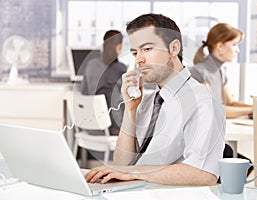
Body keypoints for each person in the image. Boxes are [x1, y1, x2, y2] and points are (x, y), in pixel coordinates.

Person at [84, 13, 225, 186]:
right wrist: (131, 110)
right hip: (138, 190)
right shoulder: (147, 101)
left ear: (173, 48)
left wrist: (134, 172)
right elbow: (123, 164)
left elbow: (205, 174)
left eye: (147, 49)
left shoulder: (203, 103)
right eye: (135, 52)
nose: (139, 60)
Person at [191, 23, 253, 119]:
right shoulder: (200, 72)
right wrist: (252, 110)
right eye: (234, 45)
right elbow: (213, 109)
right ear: (220, 46)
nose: (238, 50)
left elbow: (230, 103)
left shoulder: (221, 71)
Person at [81, 30, 127, 136]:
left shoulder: (90, 64)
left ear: (103, 45)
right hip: (112, 129)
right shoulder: (122, 69)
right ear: (119, 47)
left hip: (91, 127)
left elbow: (84, 91)